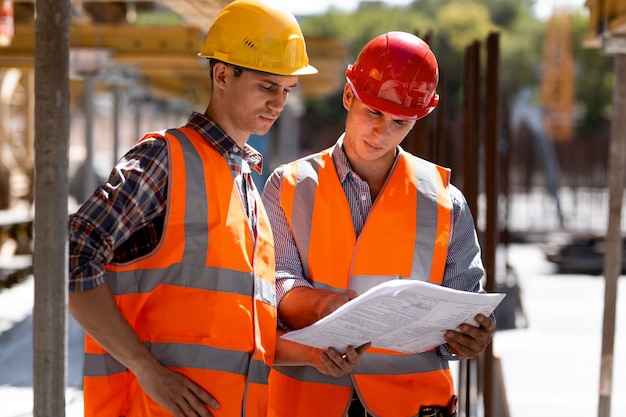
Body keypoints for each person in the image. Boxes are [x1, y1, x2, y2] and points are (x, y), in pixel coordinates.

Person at [67, 1, 320, 416]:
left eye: (287, 89)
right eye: (266, 85)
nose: (279, 102)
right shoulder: (164, 159)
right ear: (222, 74)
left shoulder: (248, 189)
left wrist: (312, 353)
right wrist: (146, 369)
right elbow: (73, 255)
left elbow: (239, 338)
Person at [261, 31, 496, 417]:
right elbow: (275, 280)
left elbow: (461, 302)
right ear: (349, 96)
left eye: (400, 122)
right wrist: (324, 306)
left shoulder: (445, 201)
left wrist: (467, 340)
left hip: (411, 405)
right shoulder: (287, 186)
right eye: (374, 112)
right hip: (307, 403)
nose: (382, 132)